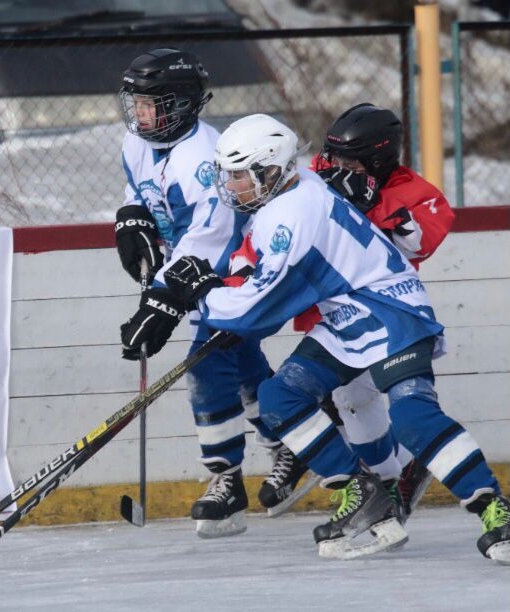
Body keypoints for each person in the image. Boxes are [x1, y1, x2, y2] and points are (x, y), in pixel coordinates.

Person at [122, 112, 510, 562]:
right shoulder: (288, 193)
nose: (229, 186)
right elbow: (252, 268)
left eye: (238, 176)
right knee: (279, 397)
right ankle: (365, 494)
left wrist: (206, 297)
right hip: (346, 319)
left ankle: (495, 511)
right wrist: (216, 290)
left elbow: (255, 307)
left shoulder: (294, 214)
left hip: (392, 314)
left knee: (412, 418)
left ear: (269, 171)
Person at [255, 103, 456, 519]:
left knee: (353, 398)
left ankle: (384, 484)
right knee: (341, 399)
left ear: (378, 160)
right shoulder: (318, 175)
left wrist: (370, 209)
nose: (334, 165)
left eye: (348, 160)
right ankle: (395, 472)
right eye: (332, 156)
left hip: (382, 314)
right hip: (329, 310)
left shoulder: (416, 193)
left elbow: (418, 243)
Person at [114, 48, 280, 538]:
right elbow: (139, 191)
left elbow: (211, 237)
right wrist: (133, 218)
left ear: (182, 105)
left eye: (151, 105)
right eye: (136, 104)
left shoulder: (205, 159)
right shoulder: (137, 142)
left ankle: (226, 482)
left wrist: (161, 298)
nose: (140, 115)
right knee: (240, 359)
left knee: (207, 362)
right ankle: (289, 441)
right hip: (192, 269)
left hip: (232, 270)